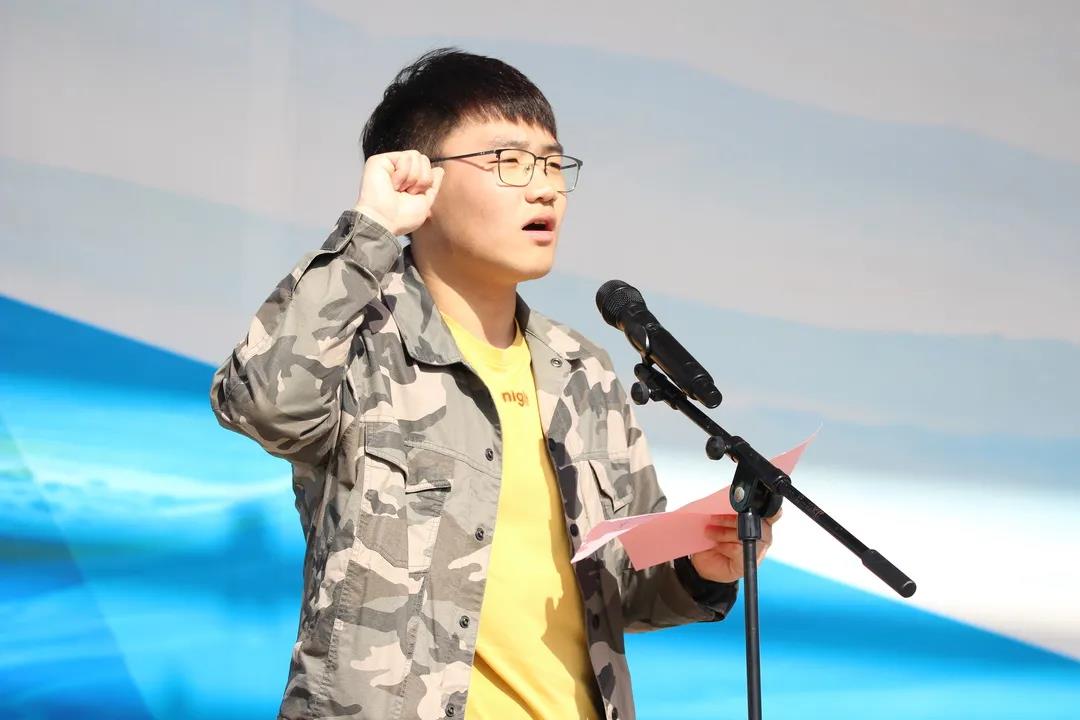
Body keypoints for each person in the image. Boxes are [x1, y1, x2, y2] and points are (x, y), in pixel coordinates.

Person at [210, 48, 778, 720]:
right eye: (509, 162)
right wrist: (370, 230)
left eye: (553, 163)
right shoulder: (359, 342)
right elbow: (262, 403)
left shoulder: (583, 371)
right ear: (420, 179)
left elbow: (620, 587)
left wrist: (701, 565)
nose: (545, 189)